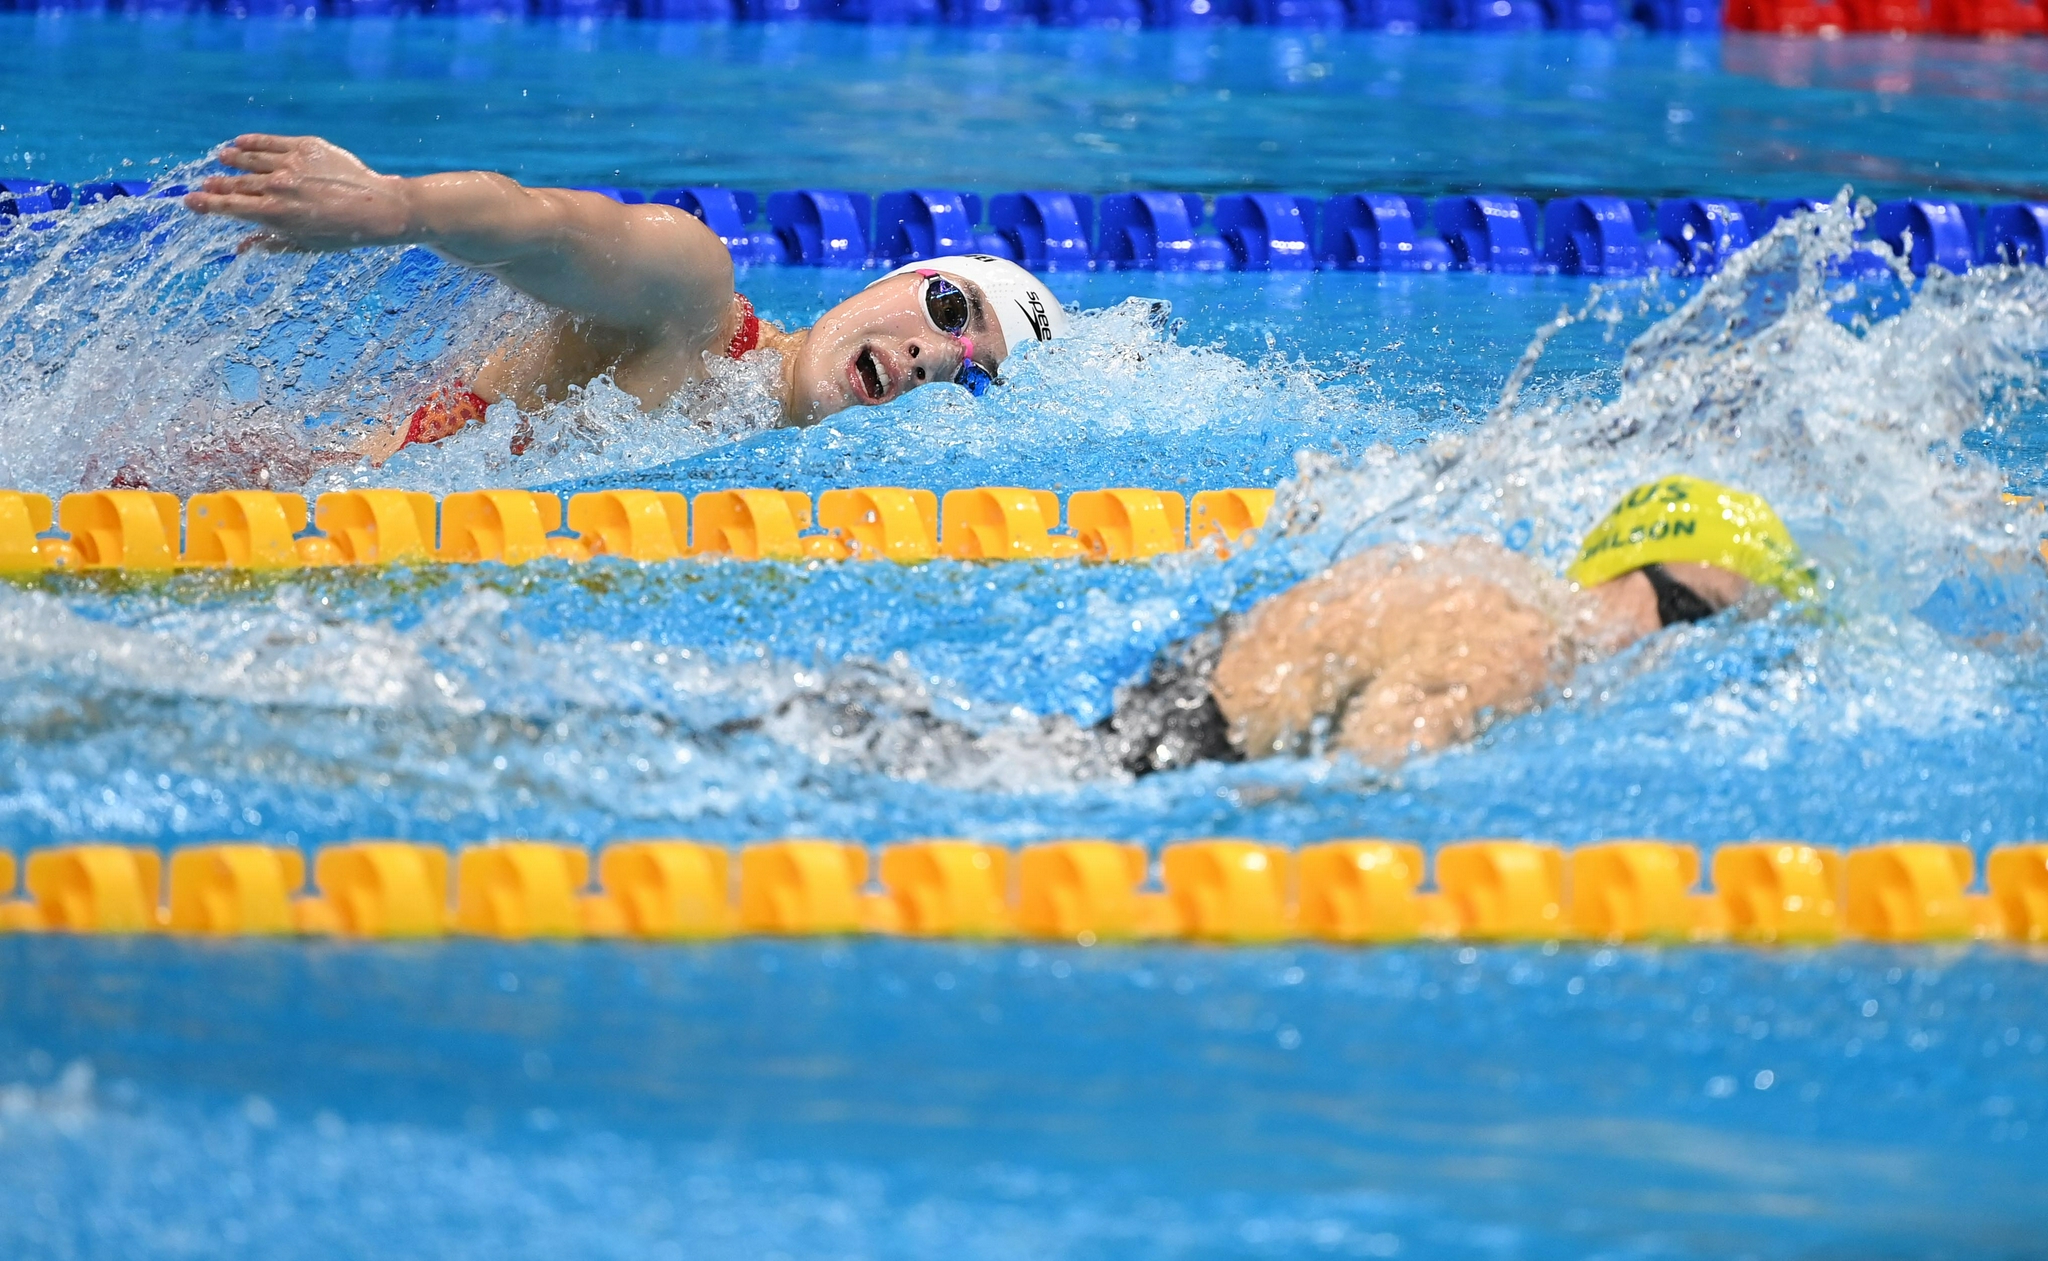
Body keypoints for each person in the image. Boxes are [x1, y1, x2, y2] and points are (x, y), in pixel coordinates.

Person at [183, 134, 1069, 460]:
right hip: (243, 506)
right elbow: (550, 228)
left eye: (972, 378)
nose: (937, 357)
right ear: (894, 281)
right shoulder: (694, 307)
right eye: (952, 313)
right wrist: (401, 207)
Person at [1095, 475, 1812, 773]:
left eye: (1725, 635)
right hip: (1180, 755)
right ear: (1625, 570)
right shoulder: (1524, 640)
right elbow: (1363, 774)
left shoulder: (1509, 582)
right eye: (1690, 615)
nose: (1686, 649)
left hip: (1183, 707)